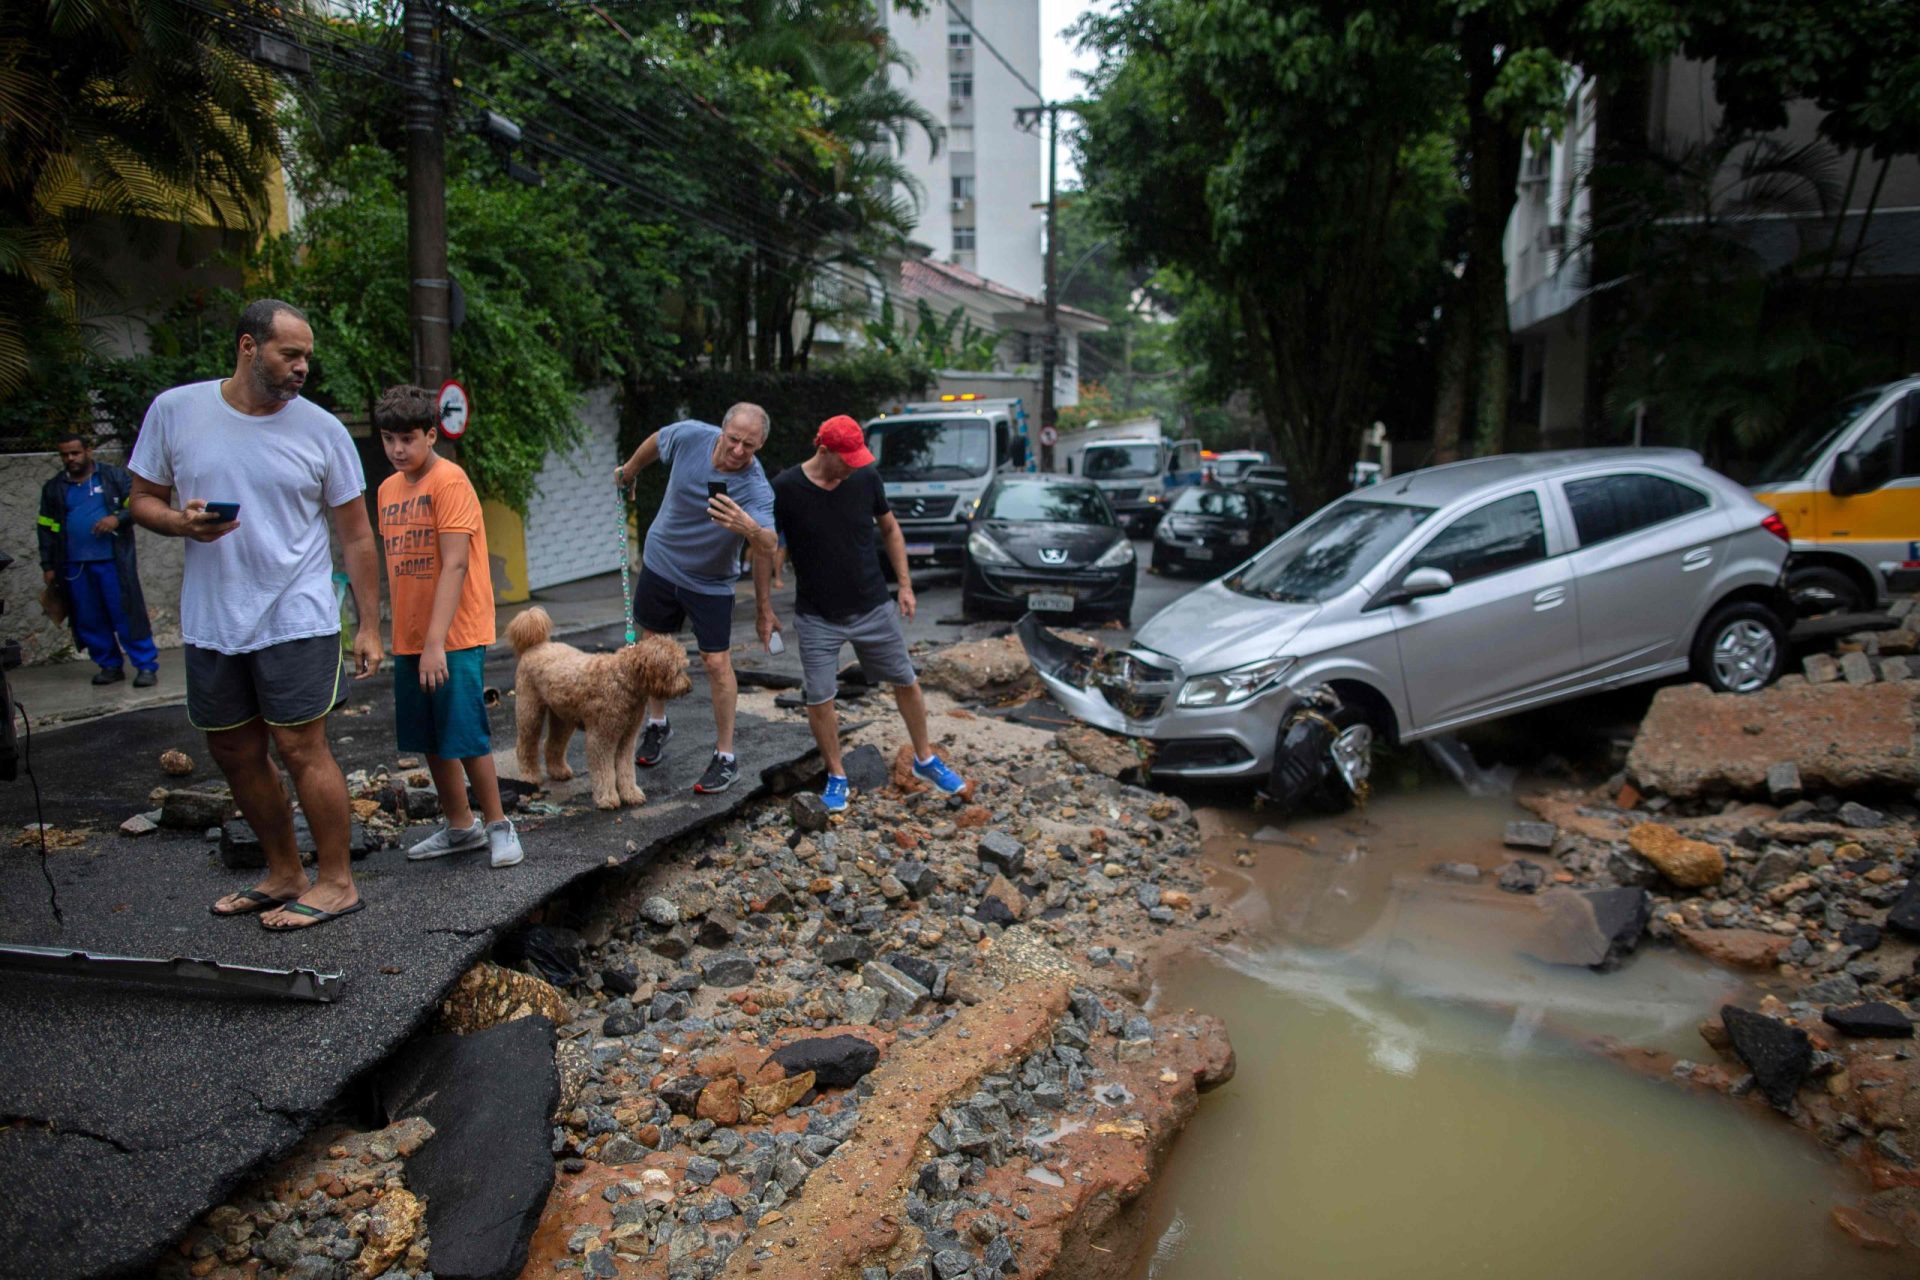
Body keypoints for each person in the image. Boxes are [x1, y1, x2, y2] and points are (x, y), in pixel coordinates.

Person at [127, 298, 384, 931]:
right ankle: (283, 872)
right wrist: (178, 522)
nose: (302, 368)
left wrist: (371, 624)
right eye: (289, 354)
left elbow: (355, 536)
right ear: (248, 347)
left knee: (302, 746)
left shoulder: (321, 429)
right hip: (214, 618)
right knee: (235, 752)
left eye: (307, 358)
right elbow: (142, 500)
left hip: (297, 614)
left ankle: (336, 882)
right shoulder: (176, 411)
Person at [771, 415, 966, 811]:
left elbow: (891, 530)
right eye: (847, 459)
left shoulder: (864, 478)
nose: (854, 466)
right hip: (817, 614)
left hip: (873, 604)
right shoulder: (786, 488)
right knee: (819, 697)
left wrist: (905, 584)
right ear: (823, 451)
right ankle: (837, 775)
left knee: (906, 680)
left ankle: (925, 758)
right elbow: (771, 541)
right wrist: (766, 594)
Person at [373, 385, 523, 868]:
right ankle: (462, 828)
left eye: (408, 439)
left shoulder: (449, 480)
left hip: (453, 636)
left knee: (464, 734)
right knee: (429, 737)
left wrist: (436, 643)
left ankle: (499, 824)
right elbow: (395, 567)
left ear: (431, 435)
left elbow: (455, 565)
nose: (398, 449)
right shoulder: (387, 490)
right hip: (411, 635)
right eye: (389, 439)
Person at [614, 403, 778, 794]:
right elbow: (658, 440)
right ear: (722, 429)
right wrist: (630, 471)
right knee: (652, 647)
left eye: (749, 446)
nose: (739, 450)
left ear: (759, 447)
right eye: (734, 439)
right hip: (661, 561)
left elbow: (769, 543)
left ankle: (726, 757)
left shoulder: (756, 487)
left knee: (716, 662)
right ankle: (658, 724)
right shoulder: (690, 436)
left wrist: (748, 527)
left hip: (710, 581)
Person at [37, 433, 161, 686]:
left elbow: (138, 505)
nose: (70, 459)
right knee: (88, 618)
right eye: (65, 454)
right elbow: (46, 528)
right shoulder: (54, 488)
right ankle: (109, 666)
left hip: (113, 562)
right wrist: (48, 566)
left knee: (126, 614)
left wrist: (117, 518)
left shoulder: (113, 477)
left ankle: (145, 666)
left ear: (88, 451)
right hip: (74, 567)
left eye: (75, 453)